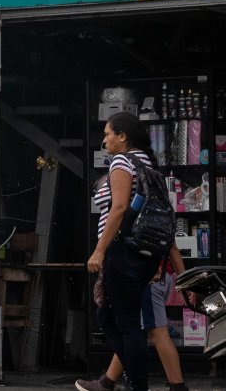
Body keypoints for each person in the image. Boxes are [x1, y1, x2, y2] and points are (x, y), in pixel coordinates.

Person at [78, 112, 165, 391]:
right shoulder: (147, 163)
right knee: (113, 317)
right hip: (144, 253)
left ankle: (138, 382)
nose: (105, 140)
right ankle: (135, 376)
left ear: (122, 136)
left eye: (108, 134)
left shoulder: (122, 161)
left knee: (124, 323)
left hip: (122, 250)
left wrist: (99, 251)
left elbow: (119, 207)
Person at [91, 244, 190, 391]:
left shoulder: (135, 221)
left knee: (157, 333)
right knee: (132, 332)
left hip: (148, 279)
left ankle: (177, 385)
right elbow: (173, 248)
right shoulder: (162, 221)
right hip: (157, 276)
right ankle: (108, 381)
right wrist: (184, 281)